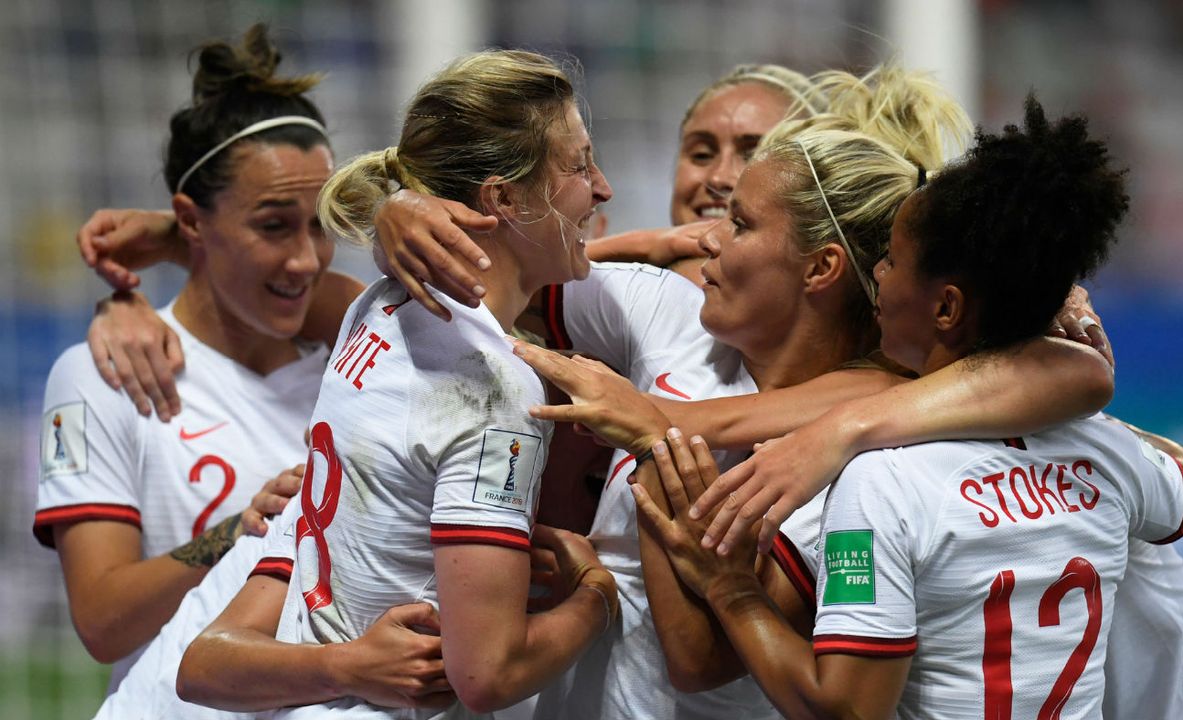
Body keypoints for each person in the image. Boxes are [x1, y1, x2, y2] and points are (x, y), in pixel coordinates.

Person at [377, 66, 1119, 720]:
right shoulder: (670, 318)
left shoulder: (873, 460)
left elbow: (701, 663)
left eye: (739, 223)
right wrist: (395, 213)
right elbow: (507, 267)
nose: (707, 239)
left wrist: (665, 452)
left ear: (822, 269)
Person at [632, 96, 1183, 719]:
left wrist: (731, 591)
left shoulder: (881, 482)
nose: (877, 272)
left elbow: (847, 711)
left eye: (894, 260)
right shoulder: (1102, 451)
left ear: (945, 309)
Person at [193, 49, 619, 719]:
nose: (602, 187)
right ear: (503, 198)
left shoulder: (377, 306)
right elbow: (485, 675)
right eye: (578, 164)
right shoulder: (495, 389)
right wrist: (598, 594)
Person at [31, 23, 366, 693]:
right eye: (274, 226)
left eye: (321, 224)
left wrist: (175, 246)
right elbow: (101, 621)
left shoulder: (356, 357)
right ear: (191, 219)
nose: (306, 258)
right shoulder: (104, 374)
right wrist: (239, 533)